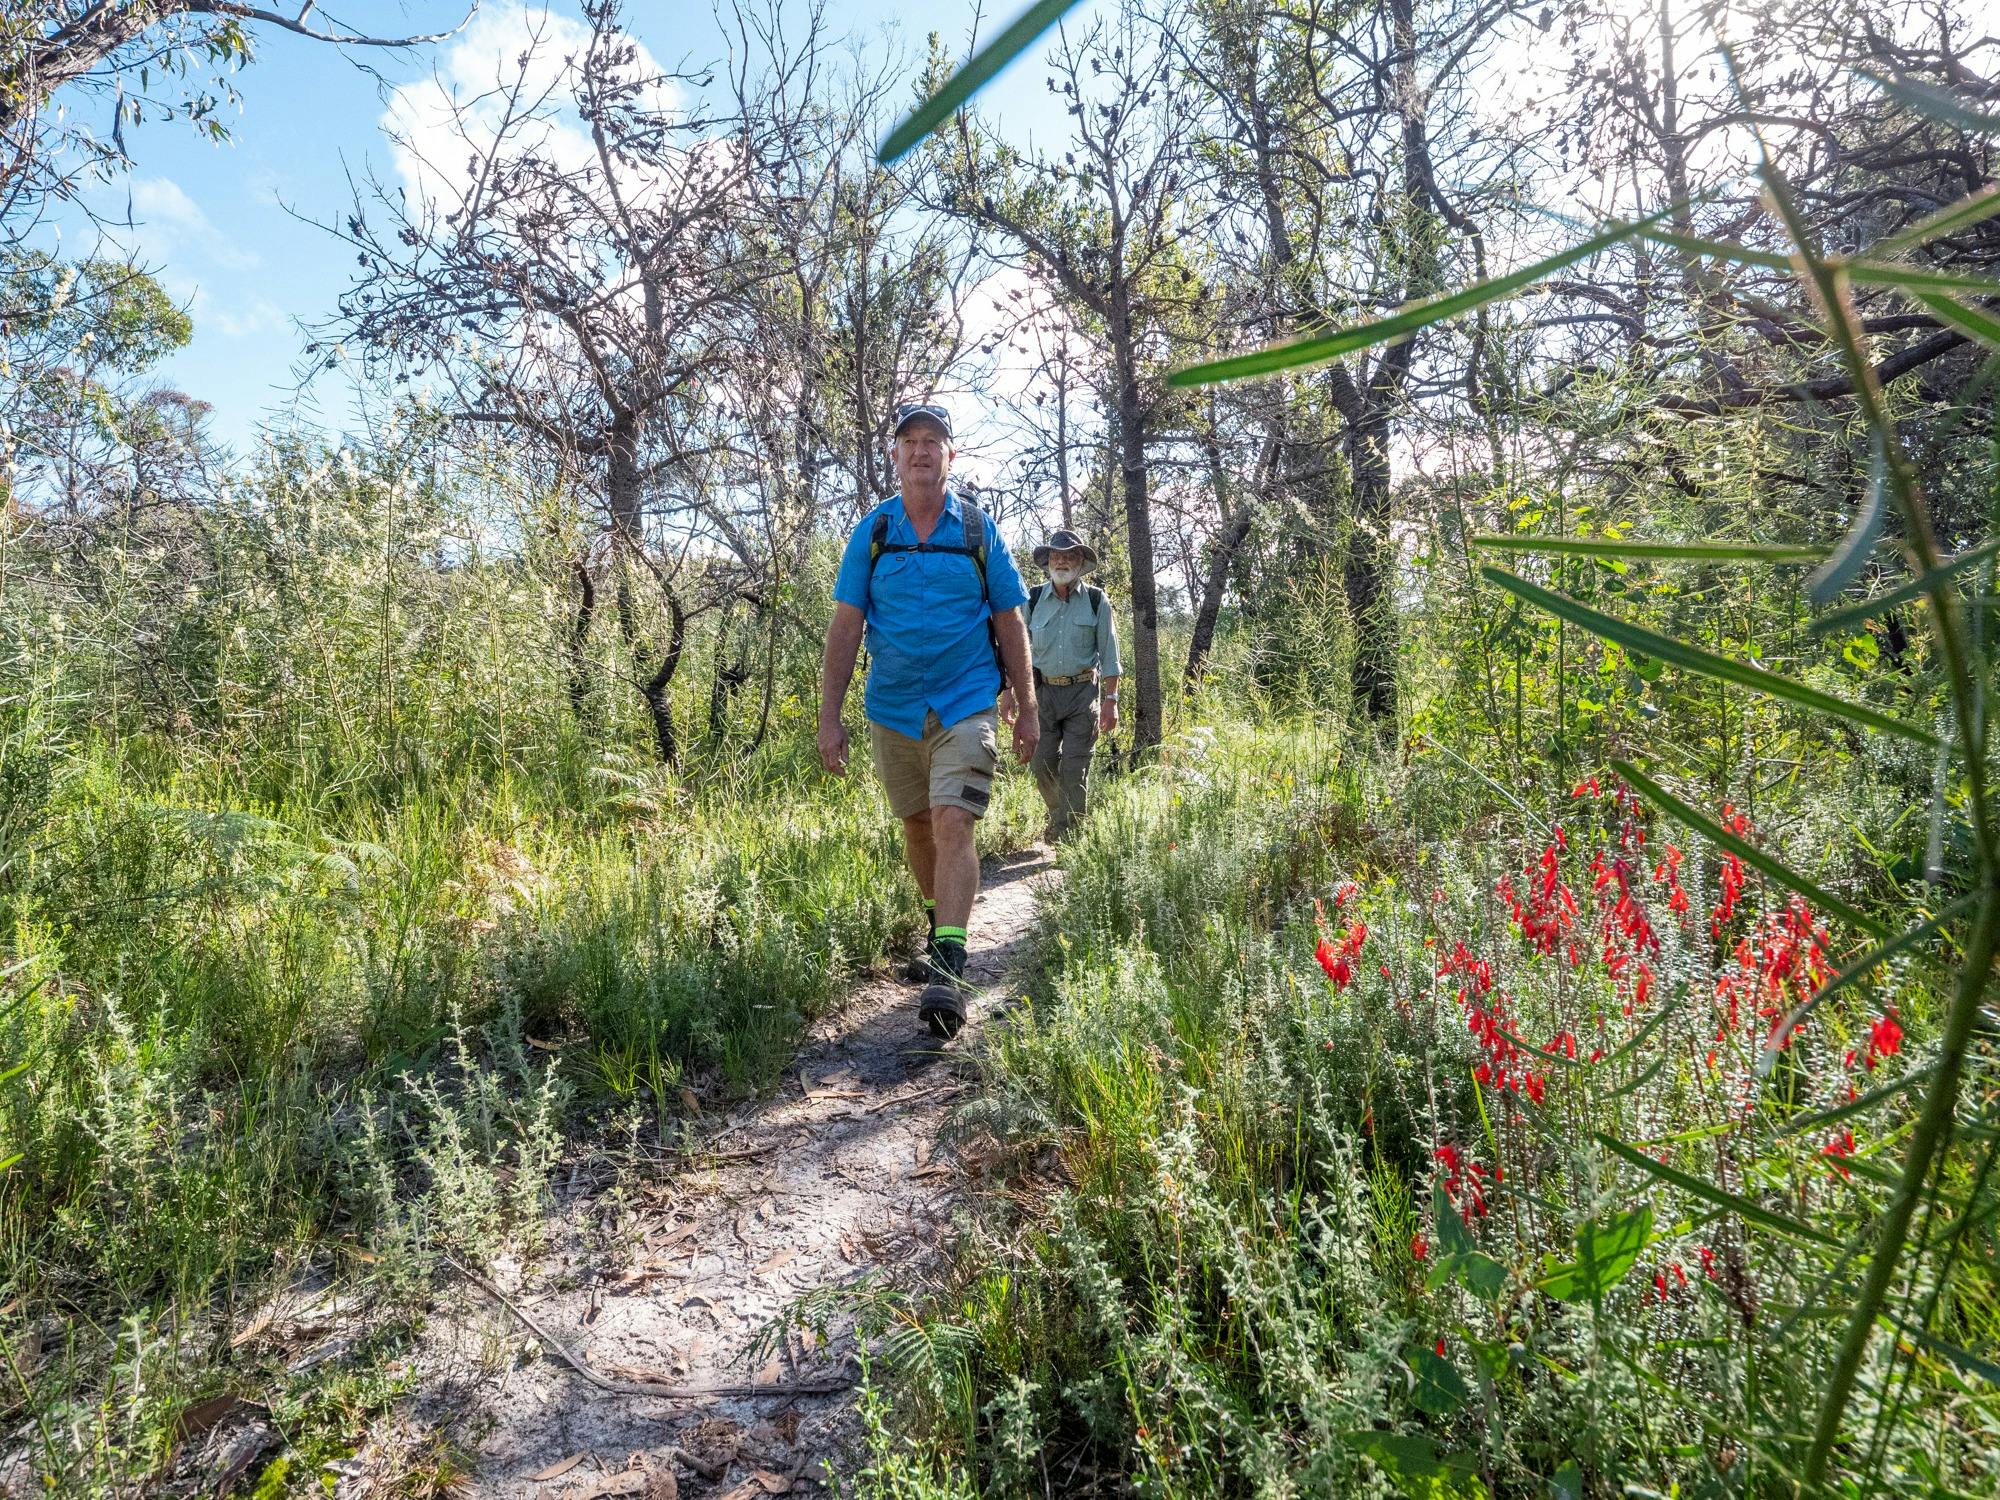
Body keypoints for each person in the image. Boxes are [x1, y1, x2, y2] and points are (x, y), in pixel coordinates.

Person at [818, 401, 1038, 1039]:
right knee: (918, 827)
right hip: (892, 707)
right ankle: (936, 920)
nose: (921, 450)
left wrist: (1024, 705)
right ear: (895, 455)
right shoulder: (874, 532)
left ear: (951, 455)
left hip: (966, 700)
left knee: (952, 821)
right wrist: (829, 718)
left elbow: (1009, 619)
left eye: (932, 441)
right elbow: (845, 627)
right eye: (910, 440)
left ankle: (949, 957)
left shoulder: (976, 529)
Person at [1000, 528, 1120, 843]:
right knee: (1042, 765)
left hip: (1083, 695)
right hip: (1041, 695)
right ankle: (1059, 815)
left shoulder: (1096, 601)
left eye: (1069, 556)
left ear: (1080, 562)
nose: (1062, 561)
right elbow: (1017, 648)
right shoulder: (1033, 599)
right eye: (1056, 555)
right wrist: (1009, 693)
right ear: (1048, 561)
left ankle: (1071, 836)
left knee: (1075, 768)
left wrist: (1111, 699)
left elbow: (1110, 652)